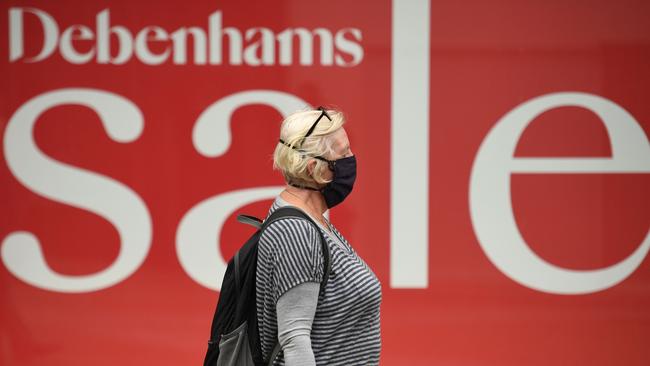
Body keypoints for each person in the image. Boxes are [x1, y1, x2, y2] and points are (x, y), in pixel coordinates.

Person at [255, 106, 382, 366]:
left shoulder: (312, 219)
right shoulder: (295, 231)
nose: (351, 158)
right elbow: (295, 340)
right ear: (314, 168)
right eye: (343, 152)